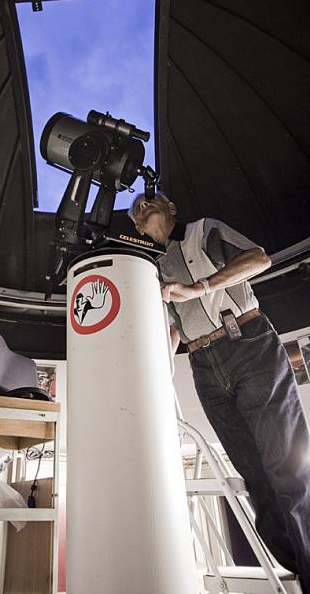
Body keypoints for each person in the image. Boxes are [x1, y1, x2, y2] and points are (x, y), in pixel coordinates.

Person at [129, 192, 310, 592]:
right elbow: (173, 332)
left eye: (151, 199)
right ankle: (298, 569)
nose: (143, 204)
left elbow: (259, 258)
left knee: (288, 468)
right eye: (137, 209)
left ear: (171, 208)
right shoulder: (153, 271)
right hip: (203, 366)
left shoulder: (203, 231)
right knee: (254, 478)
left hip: (248, 344)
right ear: (137, 228)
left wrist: (199, 287)